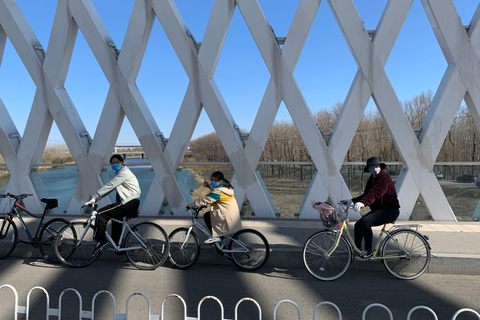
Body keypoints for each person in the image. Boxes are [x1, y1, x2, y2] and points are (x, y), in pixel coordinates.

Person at [343, 157, 400, 259]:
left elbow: (375, 193)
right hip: (380, 210)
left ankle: (368, 252)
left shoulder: (384, 178)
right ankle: (357, 249)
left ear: (380, 167)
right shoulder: (373, 178)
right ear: (368, 169)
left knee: (366, 222)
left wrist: (363, 203)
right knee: (358, 225)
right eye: (371, 166)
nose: (374, 168)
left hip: (390, 210)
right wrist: (353, 201)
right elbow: (367, 194)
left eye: (376, 166)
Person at [85, 154, 141, 254]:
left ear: (122, 163)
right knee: (116, 220)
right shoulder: (122, 173)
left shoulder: (124, 173)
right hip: (132, 202)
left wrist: (95, 197)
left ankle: (101, 240)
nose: (114, 164)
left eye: (117, 162)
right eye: (112, 163)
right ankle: (118, 245)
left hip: (129, 202)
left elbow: (110, 185)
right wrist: (97, 198)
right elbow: (110, 188)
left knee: (101, 213)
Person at [186, 171, 242, 244]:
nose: (213, 182)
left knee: (207, 216)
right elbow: (216, 194)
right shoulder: (225, 187)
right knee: (210, 216)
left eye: (215, 181)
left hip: (227, 216)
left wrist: (192, 205)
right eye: (212, 180)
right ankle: (220, 239)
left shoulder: (218, 191)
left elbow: (206, 199)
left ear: (221, 181)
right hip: (231, 214)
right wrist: (209, 186)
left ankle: (217, 237)